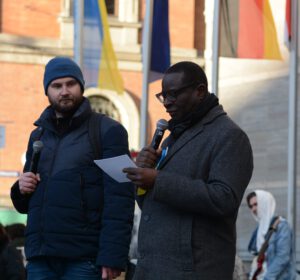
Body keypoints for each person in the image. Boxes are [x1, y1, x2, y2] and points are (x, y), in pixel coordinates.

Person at [123, 61, 254, 280]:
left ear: (199, 91)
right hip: (153, 267)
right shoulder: (173, 137)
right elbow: (149, 204)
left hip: (193, 270)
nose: (167, 103)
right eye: (163, 96)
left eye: (174, 94)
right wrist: (143, 177)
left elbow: (224, 199)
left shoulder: (229, 136)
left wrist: (157, 180)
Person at [10, 56, 135, 280]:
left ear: (81, 86)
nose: (64, 91)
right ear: (47, 91)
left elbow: (120, 199)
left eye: (71, 84)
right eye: (57, 86)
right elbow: (26, 204)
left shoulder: (108, 131)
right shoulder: (38, 135)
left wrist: (112, 256)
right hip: (41, 258)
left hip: (84, 259)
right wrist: (20, 189)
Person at [246, 190, 296, 280]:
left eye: (256, 204)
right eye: (251, 206)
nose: (253, 209)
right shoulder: (259, 228)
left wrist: (268, 277)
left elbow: (283, 257)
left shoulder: (282, 226)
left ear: (264, 203)